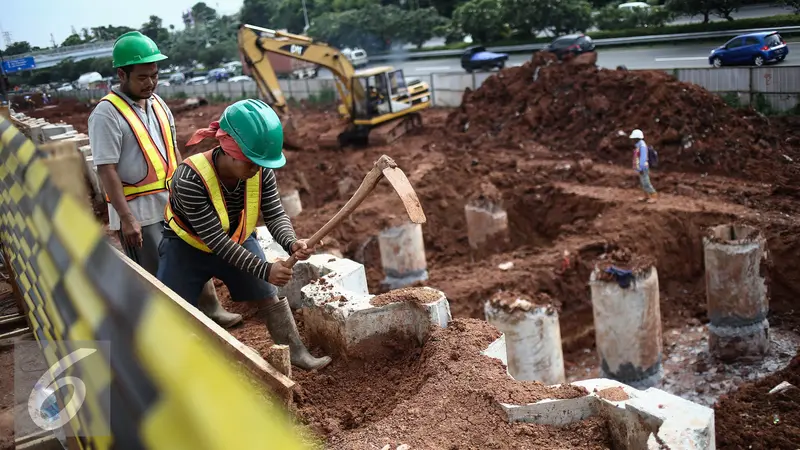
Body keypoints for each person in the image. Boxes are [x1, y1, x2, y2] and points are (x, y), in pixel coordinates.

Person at [157, 98, 332, 371]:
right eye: (250, 162)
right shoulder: (189, 178)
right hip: (186, 245)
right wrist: (265, 269)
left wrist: (291, 242)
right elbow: (214, 240)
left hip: (236, 238)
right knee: (171, 309)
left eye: (261, 163)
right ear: (228, 149)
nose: (256, 169)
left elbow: (274, 214)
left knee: (267, 294)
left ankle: (296, 352)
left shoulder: (260, 172)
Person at [88, 31, 242, 328]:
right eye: (142, 77)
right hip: (139, 212)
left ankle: (211, 310)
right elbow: (106, 169)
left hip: (174, 202)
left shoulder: (158, 103)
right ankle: (175, 331)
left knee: (196, 252)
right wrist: (126, 218)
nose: (150, 83)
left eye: (154, 75)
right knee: (159, 276)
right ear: (122, 74)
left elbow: (173, 153)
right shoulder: (106, 114)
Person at [630, 129, 657, 203]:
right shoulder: (639, 145)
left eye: (634, 138)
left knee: (646, 182)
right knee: (642, 182)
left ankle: (654, 196)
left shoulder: (642, 146)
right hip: (640, 167)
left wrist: (641, 168)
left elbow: (643, 158)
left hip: (643, 167)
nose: (632, 140)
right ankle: (646, 196)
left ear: (637, 138)